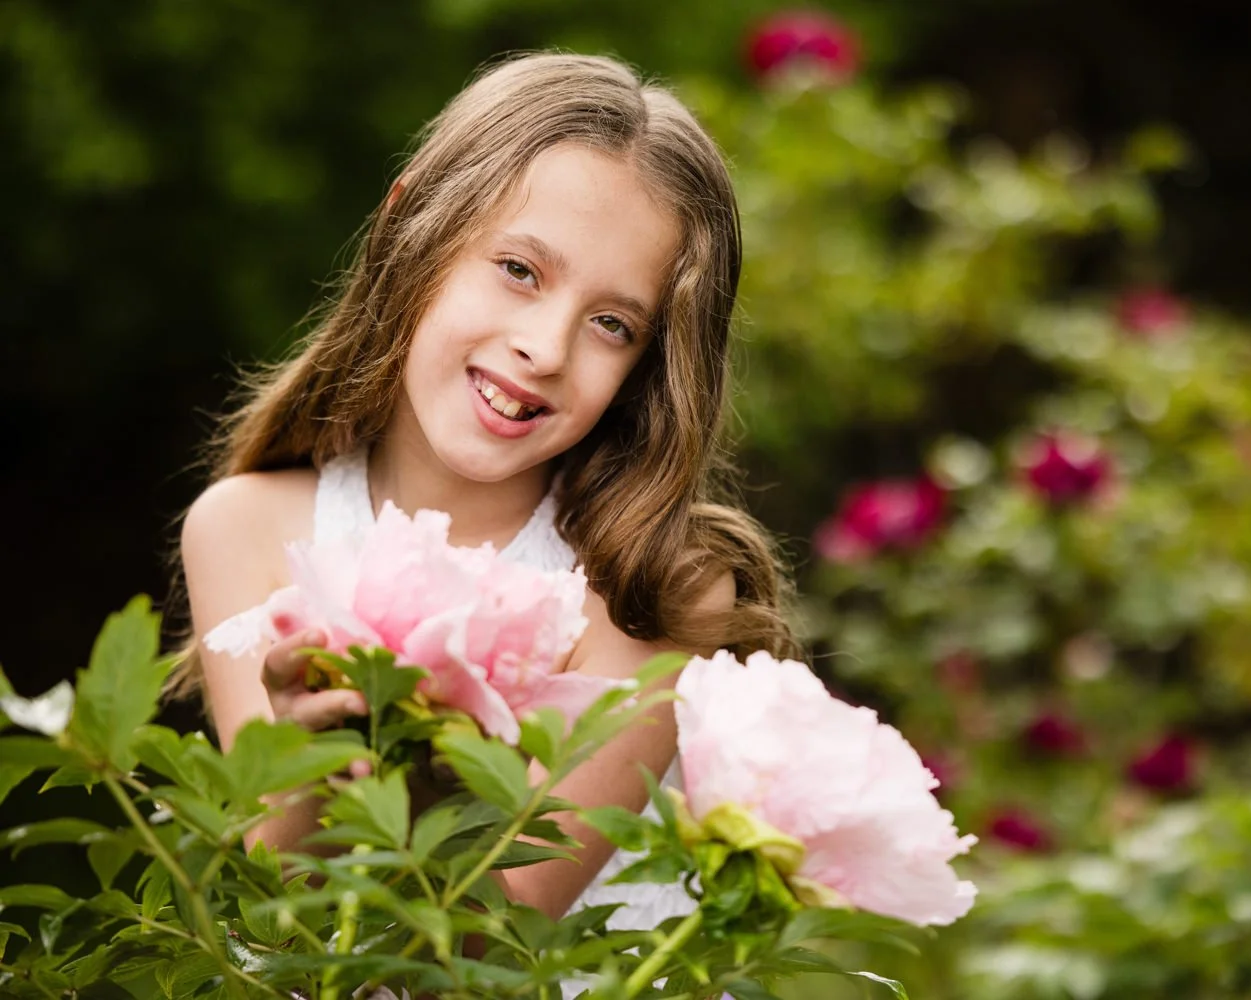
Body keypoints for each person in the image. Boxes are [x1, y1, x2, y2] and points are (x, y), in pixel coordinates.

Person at [172, 51, 798, 959]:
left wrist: (425, 763)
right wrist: (306, 757)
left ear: (646, 370)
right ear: (409, 230)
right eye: (518, 269)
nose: (545, 347)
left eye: (612, 324)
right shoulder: (246, 526)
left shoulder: (653, 588)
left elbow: (509, 948)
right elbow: (290, 921)